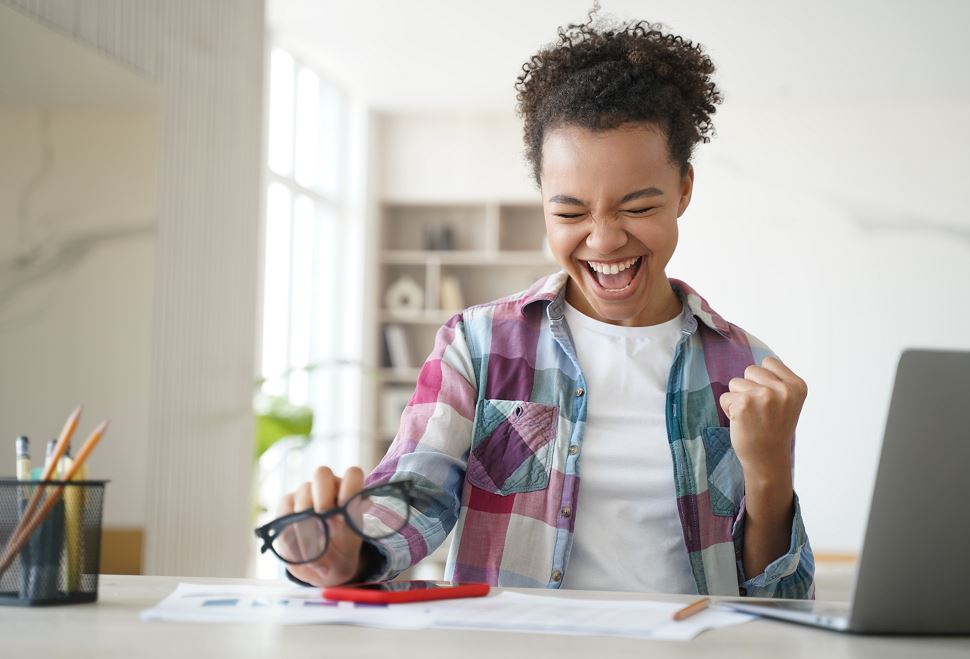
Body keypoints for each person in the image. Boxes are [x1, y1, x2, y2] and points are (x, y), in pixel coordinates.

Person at [275, 13, 814, 598]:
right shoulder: (478, 346)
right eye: (571, 212)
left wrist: (770, 472)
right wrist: (344, 549)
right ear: (541, 199)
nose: (605, 240)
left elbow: (780, 606)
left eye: (637, 208)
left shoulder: (746, 369)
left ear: (684, 188)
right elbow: (418, 488)